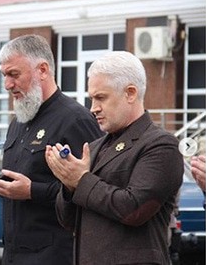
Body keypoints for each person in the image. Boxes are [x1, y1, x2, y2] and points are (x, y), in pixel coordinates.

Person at [0, 34, 103, 265]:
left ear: (42, 70)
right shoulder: (19, 121)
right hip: (14, 254)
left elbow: (95, 192)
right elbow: (27, 175)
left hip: (55, 256)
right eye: (4, 75)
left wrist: (33, 191)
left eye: (14, 74)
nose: (7, 84)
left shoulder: (75, 120)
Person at [45, 51, 184, 265]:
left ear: (130, 93)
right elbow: (70, 221)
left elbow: (134, 209)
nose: (93, 108)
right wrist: (69, 185)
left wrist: (80, 180)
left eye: (101, 97)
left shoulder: (161, 145)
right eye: (92, 98)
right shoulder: (94, 147)